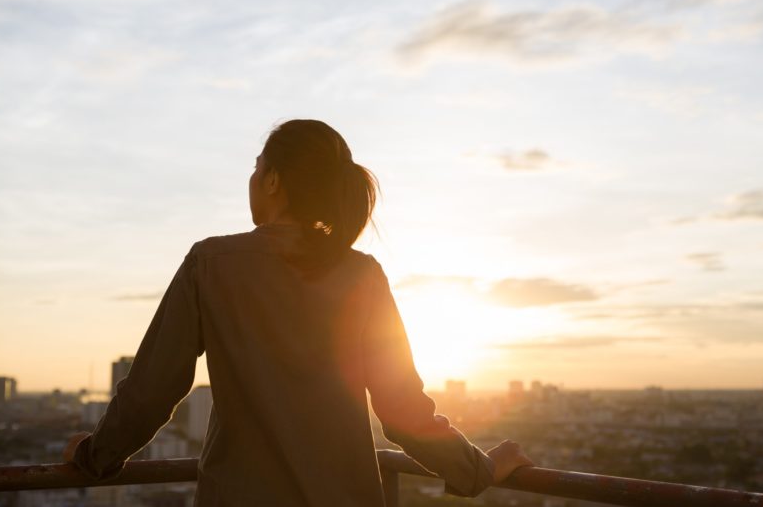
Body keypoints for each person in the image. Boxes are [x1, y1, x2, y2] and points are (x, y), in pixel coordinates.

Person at [62, 119, 534, 506]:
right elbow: (403, 410)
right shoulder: (362, 275)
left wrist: (93, 457)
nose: (251, 181)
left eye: (256, 169)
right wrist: (480, 469)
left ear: (273, 181)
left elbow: (152, 389)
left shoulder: (211, 265)